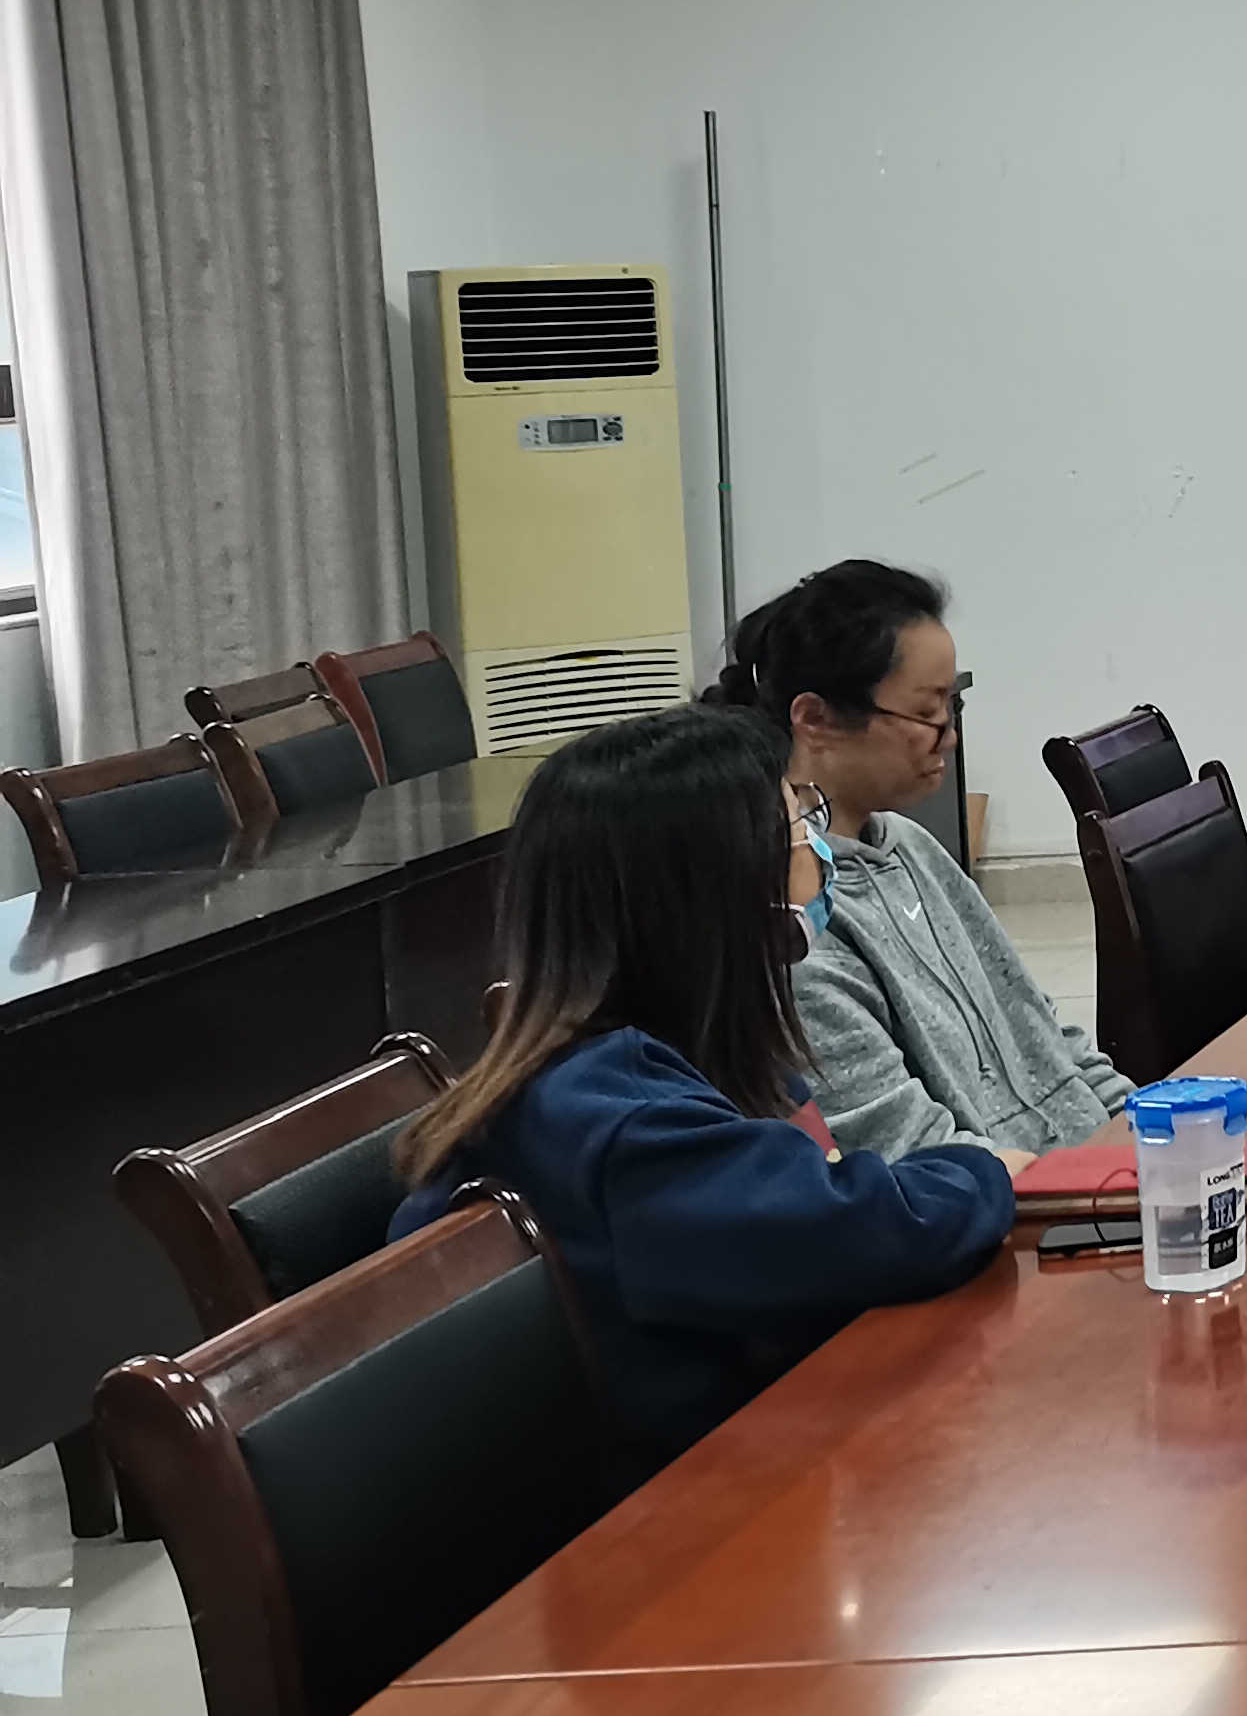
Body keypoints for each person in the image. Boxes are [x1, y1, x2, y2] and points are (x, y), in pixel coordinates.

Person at [389, 707, 1011, 1479]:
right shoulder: (618, 1115)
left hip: (719, 1461)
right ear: (716, 892)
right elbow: (862, 1234)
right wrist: (985, 1172)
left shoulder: (671, 1052)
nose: (817, 849)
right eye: (799, 826)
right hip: (661, 1519)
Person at [711, 559, 1124, 1162]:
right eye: (928, 714)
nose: (949, 736)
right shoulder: (796, 926)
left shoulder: (908, 844)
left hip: (1085, 1176)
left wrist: (1150, 1125)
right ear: (815, 719)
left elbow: (1045, 1033)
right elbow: (909, 1153)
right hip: (1008, 1202)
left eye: (950, 708)